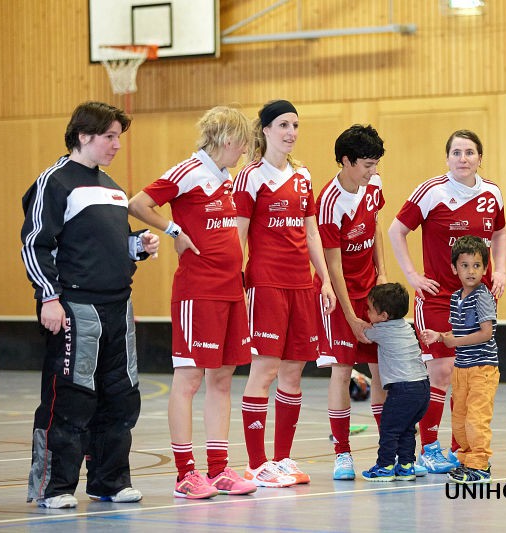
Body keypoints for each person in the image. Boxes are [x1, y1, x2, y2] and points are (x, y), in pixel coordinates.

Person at [21, 101, 159, 508]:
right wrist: (49, 297)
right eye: (109, 136)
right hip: (75, 308)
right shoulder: (55, 181)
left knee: (120, 396)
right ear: (84, 136)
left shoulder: (112, 186)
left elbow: (107, 243)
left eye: (119, 137)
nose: (117, 144)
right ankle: (54, 487)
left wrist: (137, 245)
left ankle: (109, 482)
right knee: (70, 398)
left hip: (119, 308)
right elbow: (35, 243)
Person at [127, 106, 258, 499]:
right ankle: (185, 473)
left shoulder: (226, 179)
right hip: (197, 293)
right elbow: (138, 203)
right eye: (243, 144)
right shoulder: (189, 171)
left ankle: (218, 469)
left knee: (222, 378)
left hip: (230, 292)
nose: (244, 151)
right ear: (228, 139)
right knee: (189, 378)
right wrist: (173, 231)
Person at [388, 129, 506, 473]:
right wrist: (412, 275)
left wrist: (502, 271)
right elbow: (396, 230)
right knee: (442, 372)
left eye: (469, 152)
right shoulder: (432, 191)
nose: (463, 159)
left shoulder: (492, 193)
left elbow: (500, 232)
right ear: (447, 158)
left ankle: (461, 447)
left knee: (468, 375)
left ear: (480, 158)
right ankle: (428, 448)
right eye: (456, 152)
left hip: (477, 300)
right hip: (438, 298)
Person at [233, 99, 337, 487]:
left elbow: (312, 233)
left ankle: (282, 459)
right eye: (283, 125)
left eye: (295, 125)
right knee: (265, 370)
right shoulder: (250, 177)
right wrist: (237, 283)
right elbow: (238, 236)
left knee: (293, 372)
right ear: (265, 130)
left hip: (301, 285)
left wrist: (324, 279)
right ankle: (256, 463)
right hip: (266, 283)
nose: (291, 132)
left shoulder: (303, 176)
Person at [313, 124, 389, 480]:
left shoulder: (374, 185)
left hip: (371, 291)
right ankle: (342, 453)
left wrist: (382, 275)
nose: (373, 172)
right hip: (340, 294)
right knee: (342, 370)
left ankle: (388, 447)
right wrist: (351, 316)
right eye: (367, 165)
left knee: (381, 369)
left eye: (375, 164)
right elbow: (333, 267)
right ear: (346, 161)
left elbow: (375, 228)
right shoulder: (329, 202)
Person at [421, 236, 499, 484]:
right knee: (460, 420)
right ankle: (466, 460)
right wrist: (440, 336)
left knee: (476, 419)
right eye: (464, 265)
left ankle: (480, 465)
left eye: (477, 265)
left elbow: (486, 333)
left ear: (485, 269)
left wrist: (454, 342)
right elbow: (458, 332)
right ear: (454, 269)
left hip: (482, 369)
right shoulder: (456, 298)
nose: (471, 271)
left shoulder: (482, 296)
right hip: (462, 369)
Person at [359, 283, 430, 482]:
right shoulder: (406, 327)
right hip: (422, 387)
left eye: (369, 309)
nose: (366, 313)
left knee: (389, 428)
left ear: (383, 316)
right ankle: (406, 466)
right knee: (406, 428)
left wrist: (353, 320)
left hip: (403, 389)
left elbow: (361, 333)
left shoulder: (381, 330)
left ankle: (385, 466)